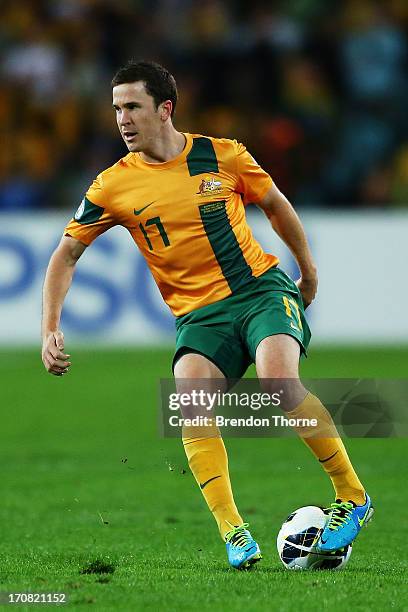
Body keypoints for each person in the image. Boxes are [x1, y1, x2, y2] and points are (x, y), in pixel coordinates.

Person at [41, 60, 373, 570]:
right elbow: (65, 256)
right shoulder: (112, 186)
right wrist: (50, 330)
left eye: (132, 107)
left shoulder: (223, 155)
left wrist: (307, 273)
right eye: (116, 109)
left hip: (260, 291)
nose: (122, 120)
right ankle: (234, 532)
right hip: (199, 317)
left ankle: (352, 496)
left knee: (278, 382)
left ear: (164, 108)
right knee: (191, 402)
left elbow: (277, 206)